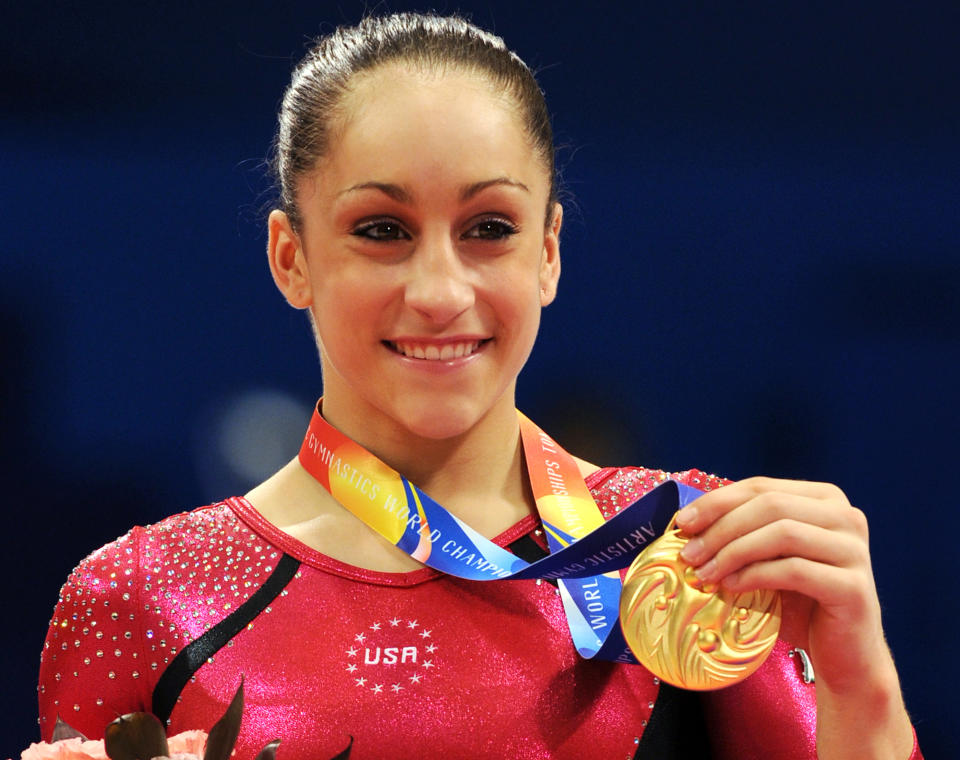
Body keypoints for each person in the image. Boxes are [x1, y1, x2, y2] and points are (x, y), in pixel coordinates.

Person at [38, 12, 921, 760]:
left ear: (548, 253)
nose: (438, 292)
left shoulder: (695, 558)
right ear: (291, 257)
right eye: (381, 229)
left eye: (488, 227)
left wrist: (862, 681)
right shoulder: (140, 597)